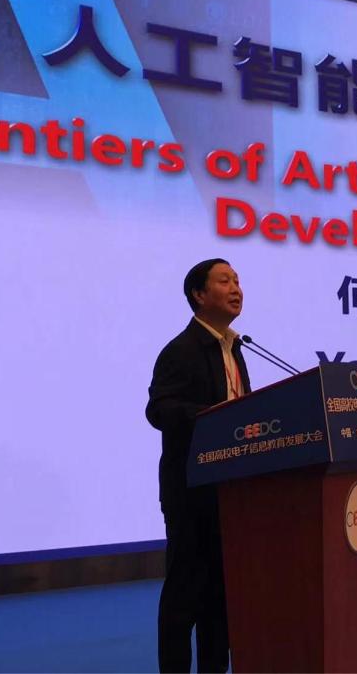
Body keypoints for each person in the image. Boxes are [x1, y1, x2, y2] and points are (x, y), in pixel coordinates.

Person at [145, 258, 250, 673]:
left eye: (237, 280)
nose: (236, 288)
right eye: (225, 281)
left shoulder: (235, 348)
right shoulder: (181, 350)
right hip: (191, 493)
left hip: (232, 492)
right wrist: (214, 416)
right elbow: (158, 410)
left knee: (220, 600)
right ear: (199, 295)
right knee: (183, 598)